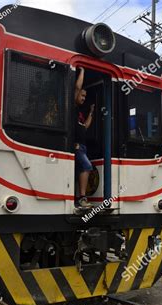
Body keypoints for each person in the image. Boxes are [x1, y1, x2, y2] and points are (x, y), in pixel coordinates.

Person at [74, 67, 95, 208]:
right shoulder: (72, 106)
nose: (83, 98)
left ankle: (77, 197)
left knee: (80, 169)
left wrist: (91, 112)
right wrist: (82, 70)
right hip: (76, 146)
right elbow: (77, 87)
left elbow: (86, 126)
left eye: (85, 97)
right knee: (87, 166)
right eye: (82, 95)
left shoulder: (80, 114)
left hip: (83, 146)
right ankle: (82, 198)